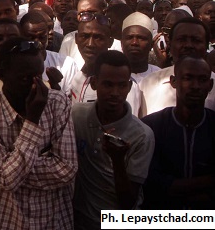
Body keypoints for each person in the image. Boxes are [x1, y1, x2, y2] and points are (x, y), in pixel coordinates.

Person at [0, 37, 77, 229]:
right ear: (2, 74)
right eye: (26, 78)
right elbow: (6, 179)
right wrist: (32, 121)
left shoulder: (58, 103)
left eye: (39, 75)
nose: (36, 84)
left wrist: (13, 165)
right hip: (5, 221)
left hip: (53, 220)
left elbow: (67, 168)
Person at [72, 51, 154, 229]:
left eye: (122, 85)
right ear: (94, 83)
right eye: (108, 85)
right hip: (78, 220)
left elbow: (128, 203)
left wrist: (117, 161)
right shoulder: (76, 115)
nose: (115, 93)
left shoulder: (141, 135)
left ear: (129, 86)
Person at [142, 56, 215, 209]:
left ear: (210, 84)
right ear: (173, 82)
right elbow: (153, 183)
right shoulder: (151, 127)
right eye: (188, 78)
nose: (195, 86)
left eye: (202, 80)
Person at [140, 17, 215, 115]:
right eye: (181, 40)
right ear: (170, 44)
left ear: (206, 46)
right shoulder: (148, 83)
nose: (188, 45)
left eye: (196, 40)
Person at [120, 12, 160, 83]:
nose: (134, 42)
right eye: (129, 37)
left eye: (141, 38)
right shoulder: (111, 76)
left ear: (151, 44)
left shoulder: (161, 76)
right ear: (121, 43)